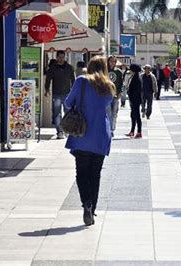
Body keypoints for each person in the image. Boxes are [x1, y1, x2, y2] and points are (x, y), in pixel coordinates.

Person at [64, 56, 115, 226]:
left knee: (81, 172)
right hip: (101, 133)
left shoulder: (81, 81)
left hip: (82, 132)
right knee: (95, 174)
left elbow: (67, 102)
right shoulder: (108, 86)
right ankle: (92, 210)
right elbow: (107, 105)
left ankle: (86, 202)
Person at [45, 50, 76, 139]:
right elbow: (48, 80)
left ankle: (67, 130)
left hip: (68, 94)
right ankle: (60, 131)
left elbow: (73, 81)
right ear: (57, 57)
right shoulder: (53, 68)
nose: (61, 59)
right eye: (60, 57)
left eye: (63, 57)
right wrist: (46, 90)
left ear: (65, 57)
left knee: (68, 113)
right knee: (57, 114)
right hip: (56, 94)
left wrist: (74, 93)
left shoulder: (69, 68)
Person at [106, 56, 124, 137]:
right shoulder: (104, 71)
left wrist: (120, 93)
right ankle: (108, 129)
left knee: (114, 113)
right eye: (111, 61)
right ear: (108, 61)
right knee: (108, 112)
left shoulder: (118, 72)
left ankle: (112, 129)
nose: (112, 63)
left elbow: (121, 84)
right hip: (106, 95)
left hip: (115, 95)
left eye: (114, 61)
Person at [126, 63, 143, 139]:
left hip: (135, 99)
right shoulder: (134, 76)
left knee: (137, 115)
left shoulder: (137, 77)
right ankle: (132, 131)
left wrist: (131, 95)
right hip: (133, 99)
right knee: (133, 115)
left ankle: (139, 132)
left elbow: (137, 90)